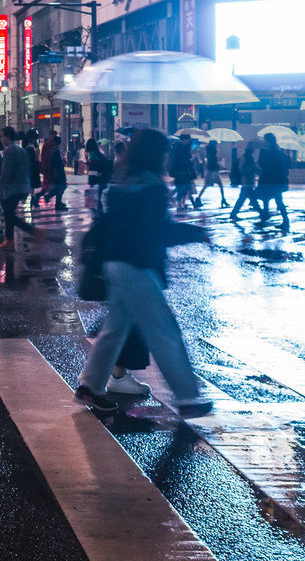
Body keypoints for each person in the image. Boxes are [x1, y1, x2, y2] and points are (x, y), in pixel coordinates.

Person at [76, 128, 212, 415]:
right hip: (137, 267)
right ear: (157, 154)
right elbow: (157, 231)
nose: (167, 157)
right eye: (165, 152)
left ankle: (90, 386)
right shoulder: (151, 186)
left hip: (114, 263)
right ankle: (188, 398)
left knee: (116, 328)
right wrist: (196, 232)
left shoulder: (121, 179)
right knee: (163, 331)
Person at [0, 126, 45, 252]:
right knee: (9, 213)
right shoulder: (21, 150)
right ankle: (9, 240)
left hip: (13, 187)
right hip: (22, 186)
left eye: (2, 136)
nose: (1, 139)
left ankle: (32, 232)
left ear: (7, 137)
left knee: (9, 214)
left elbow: (6, 172)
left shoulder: (10, 151)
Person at [256, 133, 290, 230]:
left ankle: (283, 221)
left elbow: (264, 164)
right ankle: (267, 218)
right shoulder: (278, 151)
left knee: (275, 200)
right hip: (275, 180)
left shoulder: (268, 152)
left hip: (270, 180)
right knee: (271, 199)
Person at [169, 134, 198, 212]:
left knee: (185, 188)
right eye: (188, 139)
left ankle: (182, 204)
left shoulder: (185, 147)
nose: (189, 141)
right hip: (179, 171)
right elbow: (176, 160)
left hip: (185, 171)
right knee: (181, 188)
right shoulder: (178, 147)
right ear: (184, 140)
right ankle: (179, 205)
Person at [197, 140, 229, 208]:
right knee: (207, 185)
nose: (217, 146)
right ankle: (198, 198)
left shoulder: (211, 152)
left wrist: (218, 159)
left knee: (219, 185)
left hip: (212, 171)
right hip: (212, 171)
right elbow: (213, 163)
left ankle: (223, 199)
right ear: (214, 145)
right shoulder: (212, 153)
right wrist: (221, 166)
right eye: (217, 144)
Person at [42, 133, 69, 211]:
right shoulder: (56, 151)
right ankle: (56, 203)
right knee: (61, 187)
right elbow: (57, 162)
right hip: (58, 172)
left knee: (60, 187)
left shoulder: (55, 150)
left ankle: (56, 202)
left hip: (57, 172)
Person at [85, 138, 113, 211]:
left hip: (97, 176)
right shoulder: (97, 152)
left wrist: (88, 163)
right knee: (98, 195)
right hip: (101, 176)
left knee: (96, 195)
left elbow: (94, 164)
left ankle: (97, 212)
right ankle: (98, 210)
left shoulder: (93, 153)